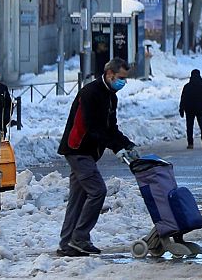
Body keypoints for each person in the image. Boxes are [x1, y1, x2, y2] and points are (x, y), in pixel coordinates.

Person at [57, 58, 138, 256]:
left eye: (125, 79)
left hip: (88, 152)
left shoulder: (111, 96)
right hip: (78, 149)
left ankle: (67, 242)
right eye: (120, 78)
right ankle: (80, 238)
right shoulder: (90, 93)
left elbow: (110, 128)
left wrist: (126, 144)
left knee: (78, 197)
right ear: (109, 74)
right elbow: (93, 128)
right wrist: (114, 148)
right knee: (97, 191)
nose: (123, 83)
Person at [179, 69, 202, 149]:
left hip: (189, 109)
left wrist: (181, 109)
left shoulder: (187, 87)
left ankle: (190, 143)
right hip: (201, 109)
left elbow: (183, 98)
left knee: (189, 126)